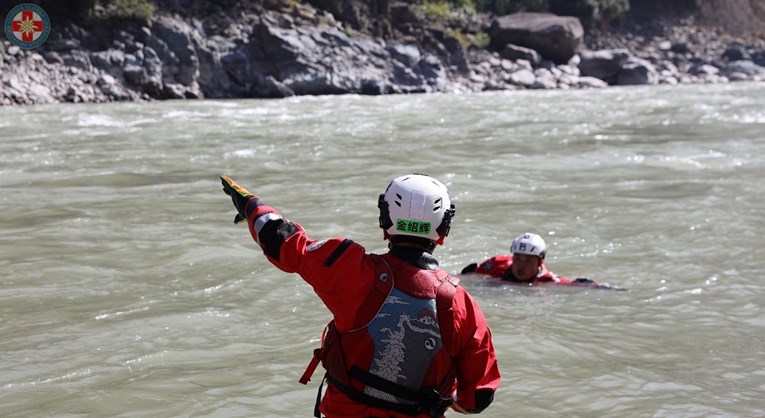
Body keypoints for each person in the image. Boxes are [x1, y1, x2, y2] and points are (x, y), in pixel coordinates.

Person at [220, 173, 501, 418]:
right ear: (443, 230)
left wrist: (249, 204)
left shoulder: (348, 268)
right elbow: (477, 399)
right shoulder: (463, 305)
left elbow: (279, 239)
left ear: (385, 219)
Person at [461, 232, 620, 289]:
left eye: (528, 260)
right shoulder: (496, 264)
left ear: (539, 262)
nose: (521, 265)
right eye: (518, 258)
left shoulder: (548, 280)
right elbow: (468, 276)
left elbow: (575, 285)